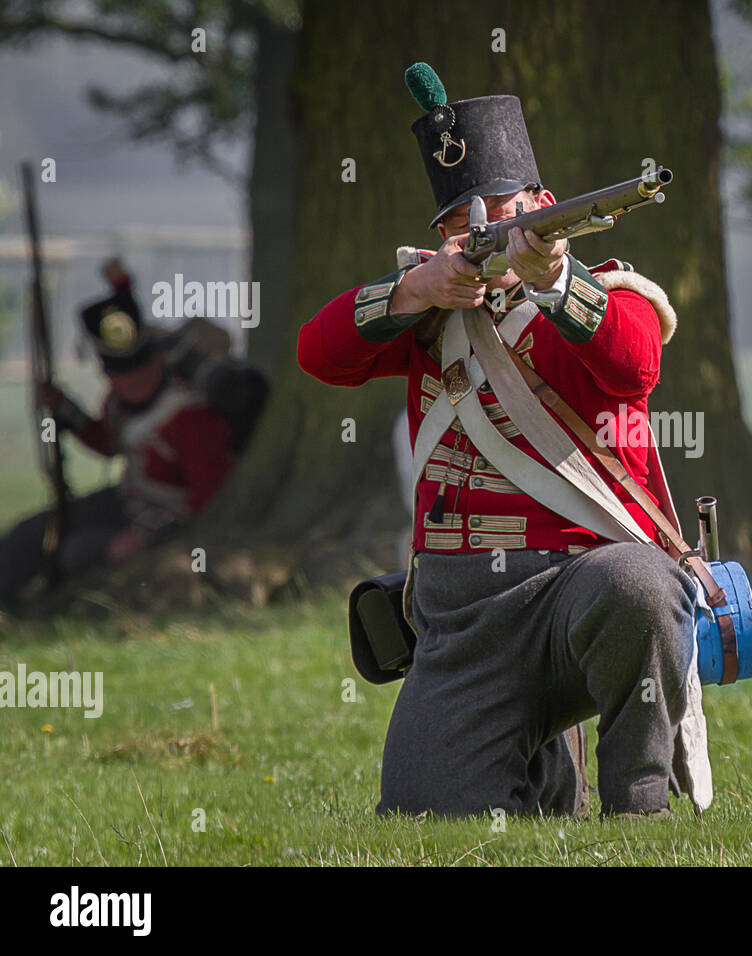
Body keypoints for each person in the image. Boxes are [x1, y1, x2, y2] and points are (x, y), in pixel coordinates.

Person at [297, 63, 704, 819]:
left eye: (499, 212)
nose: (476, 230)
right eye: (459, 223)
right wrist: (412, 291)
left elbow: (633, 363)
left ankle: (639, 803)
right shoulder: (430, 312)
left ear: (545, 209)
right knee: (427, 816)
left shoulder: (609, 294)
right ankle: (548, 772)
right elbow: (316, 353)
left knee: (642, 588)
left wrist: (554, 282)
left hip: (579, 592)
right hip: (461, 619)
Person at [0, 261, 237, 605]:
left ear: (157, 359)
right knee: (31, 535)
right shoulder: (119, 403)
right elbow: (109, 443)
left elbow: (210, 495)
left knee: (78, 554)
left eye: (141, 368)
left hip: (164, 517)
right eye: (122, 374)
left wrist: (146, 538)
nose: (134, 380)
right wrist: (65, 410)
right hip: (127, 499)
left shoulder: (191, 416)